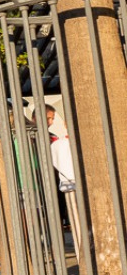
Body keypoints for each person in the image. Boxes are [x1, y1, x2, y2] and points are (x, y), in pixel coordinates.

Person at [45, 104, 81, 251]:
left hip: (66, 186)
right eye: (49, 118)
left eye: (53, 118)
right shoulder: (57, 143)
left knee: (76, 221)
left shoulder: (55, 141)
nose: (52, 122)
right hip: (67, 186)